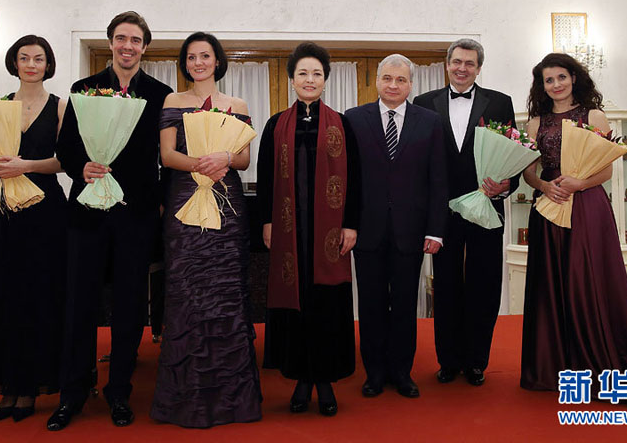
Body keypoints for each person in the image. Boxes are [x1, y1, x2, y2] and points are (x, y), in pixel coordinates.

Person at [49, 11, 172, 430]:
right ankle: (73, 393)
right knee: (79, 303)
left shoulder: (161, 94)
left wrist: (158, 205)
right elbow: (65, 149)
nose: (127, 46)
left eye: (135, 40)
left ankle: (119, 390)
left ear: (144, 47)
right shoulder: (83, 89)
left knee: (129, 306)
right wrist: (80, 166)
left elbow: (166, 157)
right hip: (85, 213)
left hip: (136, 217)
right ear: (110, 43)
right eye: (121, 38)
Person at [151, 32, 262, 428]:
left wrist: (225, 157)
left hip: (227, 204)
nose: (198, 62)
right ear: (185, 63)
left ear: (217, 61)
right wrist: (202, 163)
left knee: (226, 292)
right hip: (184, 202)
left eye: (205, 56)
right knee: (188, 293)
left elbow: (246, 159)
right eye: (192, 57)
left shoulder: (238, 104)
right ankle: (186, 398)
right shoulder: (172, 102)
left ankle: (234, 400)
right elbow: (167, 155)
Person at [520, 53, 627, 391]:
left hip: (587, 205)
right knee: (551, 284)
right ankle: (554, 368)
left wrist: (578, 184)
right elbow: (528, 172)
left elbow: (605, 168)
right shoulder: (536, 122)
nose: (556, 84)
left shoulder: (593, 115)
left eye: (561, 77)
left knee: (587, 279)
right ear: (542, 86)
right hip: (549, 206)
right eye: (549, 80)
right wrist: (545, 186)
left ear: (573, 78)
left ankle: (598, 366)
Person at [0, 34, 67, 422]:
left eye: (38, 58)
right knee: (2, 295)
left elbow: (65, 162)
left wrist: (26, 165)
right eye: (24, 57)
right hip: (1, 208)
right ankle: (5, 388)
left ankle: (29, 390)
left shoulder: (59, 108)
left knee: (37, 294)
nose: (30, 64)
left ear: (47, 64)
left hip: (44, 210)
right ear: (14, 62)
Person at [257, 42, 360, 416]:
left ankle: (325, 380)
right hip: (290, 230)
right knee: (296, 302)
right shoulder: (275, 125)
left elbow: (356, 179)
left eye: (317, 73)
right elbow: (266, 178)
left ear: (325, 80)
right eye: (303, 73)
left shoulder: (341, 124)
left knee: (325, 303)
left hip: (329, 233)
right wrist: (267, 221)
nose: (310, 79)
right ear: (292, 79)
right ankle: (301, 378)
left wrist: (351, 224)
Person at [413, 38, 518, 386]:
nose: (462, 68)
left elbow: (514, 154)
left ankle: (477, 361)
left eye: (469, 63)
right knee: (444, 286)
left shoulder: (501, 103)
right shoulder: (423, 103)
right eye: (457, 62)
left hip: (485, 207)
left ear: (478, 67)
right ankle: (448, 360)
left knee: (484, 285)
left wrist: (505, 184)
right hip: (442, 213)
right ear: (447, 64)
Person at [345, 54, 447, 399]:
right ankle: (373, 373)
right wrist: (348, 225)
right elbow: (347, 180)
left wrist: (435, 230)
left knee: (404, 305)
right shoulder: (354, 119)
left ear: (410, 84)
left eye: (400, 80)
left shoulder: (430, 122)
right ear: (377, 80)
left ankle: (402, 372)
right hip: (367, 230)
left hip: (411, 231)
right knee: (371, 305)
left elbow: (438, 180)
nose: (393, 85)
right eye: (387, 78)